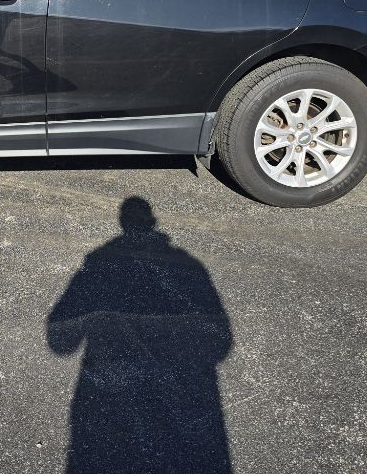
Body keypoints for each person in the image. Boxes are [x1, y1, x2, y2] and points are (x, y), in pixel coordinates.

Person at [46, 196, 233, 473]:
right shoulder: (190, 265)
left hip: (110, 402)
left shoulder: (98, 262)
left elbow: (61, 343)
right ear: (153, 222)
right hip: (179, 397)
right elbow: (220, 344)